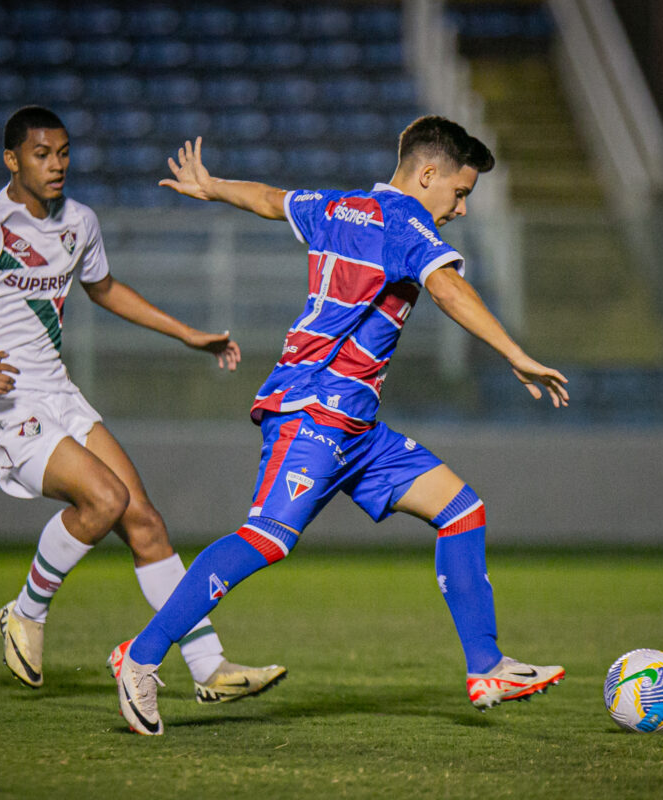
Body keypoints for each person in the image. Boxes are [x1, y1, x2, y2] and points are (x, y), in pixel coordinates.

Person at [112, 116, 569, 735]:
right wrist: (515, 353)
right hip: (313, 409)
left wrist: (212, 184)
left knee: (461, 509)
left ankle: (486, 666)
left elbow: (272, 201)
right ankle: (139, 658)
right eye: (459, 193)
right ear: (427, 175)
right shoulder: (409, 223)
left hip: (357, 425)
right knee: (267, 538)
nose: (460, 209)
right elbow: (448, 290)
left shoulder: (340, 206)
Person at [0, 106, 286, 703]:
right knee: (105, 499)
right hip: (1, 400)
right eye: (40, 154)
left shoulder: (79, 221)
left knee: (144, 520)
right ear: (12, 160)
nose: (56, 165)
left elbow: (102, 288)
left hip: (57, 390)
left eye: (63, 153)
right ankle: (26, 612)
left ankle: (210, 667)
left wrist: (187, 334)